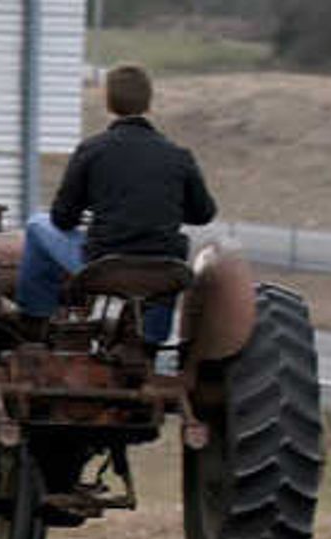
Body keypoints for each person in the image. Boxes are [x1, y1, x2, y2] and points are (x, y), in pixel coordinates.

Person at [18, 63, 215, 344]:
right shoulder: (178, 155)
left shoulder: (92, 150)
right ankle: (152, 343)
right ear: (149, 102)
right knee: (162, 271)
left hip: (104, 264)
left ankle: (36, 320)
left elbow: (62, 219)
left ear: (108, 102)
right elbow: (204, 213)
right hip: (163, 265)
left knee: (37, 225)